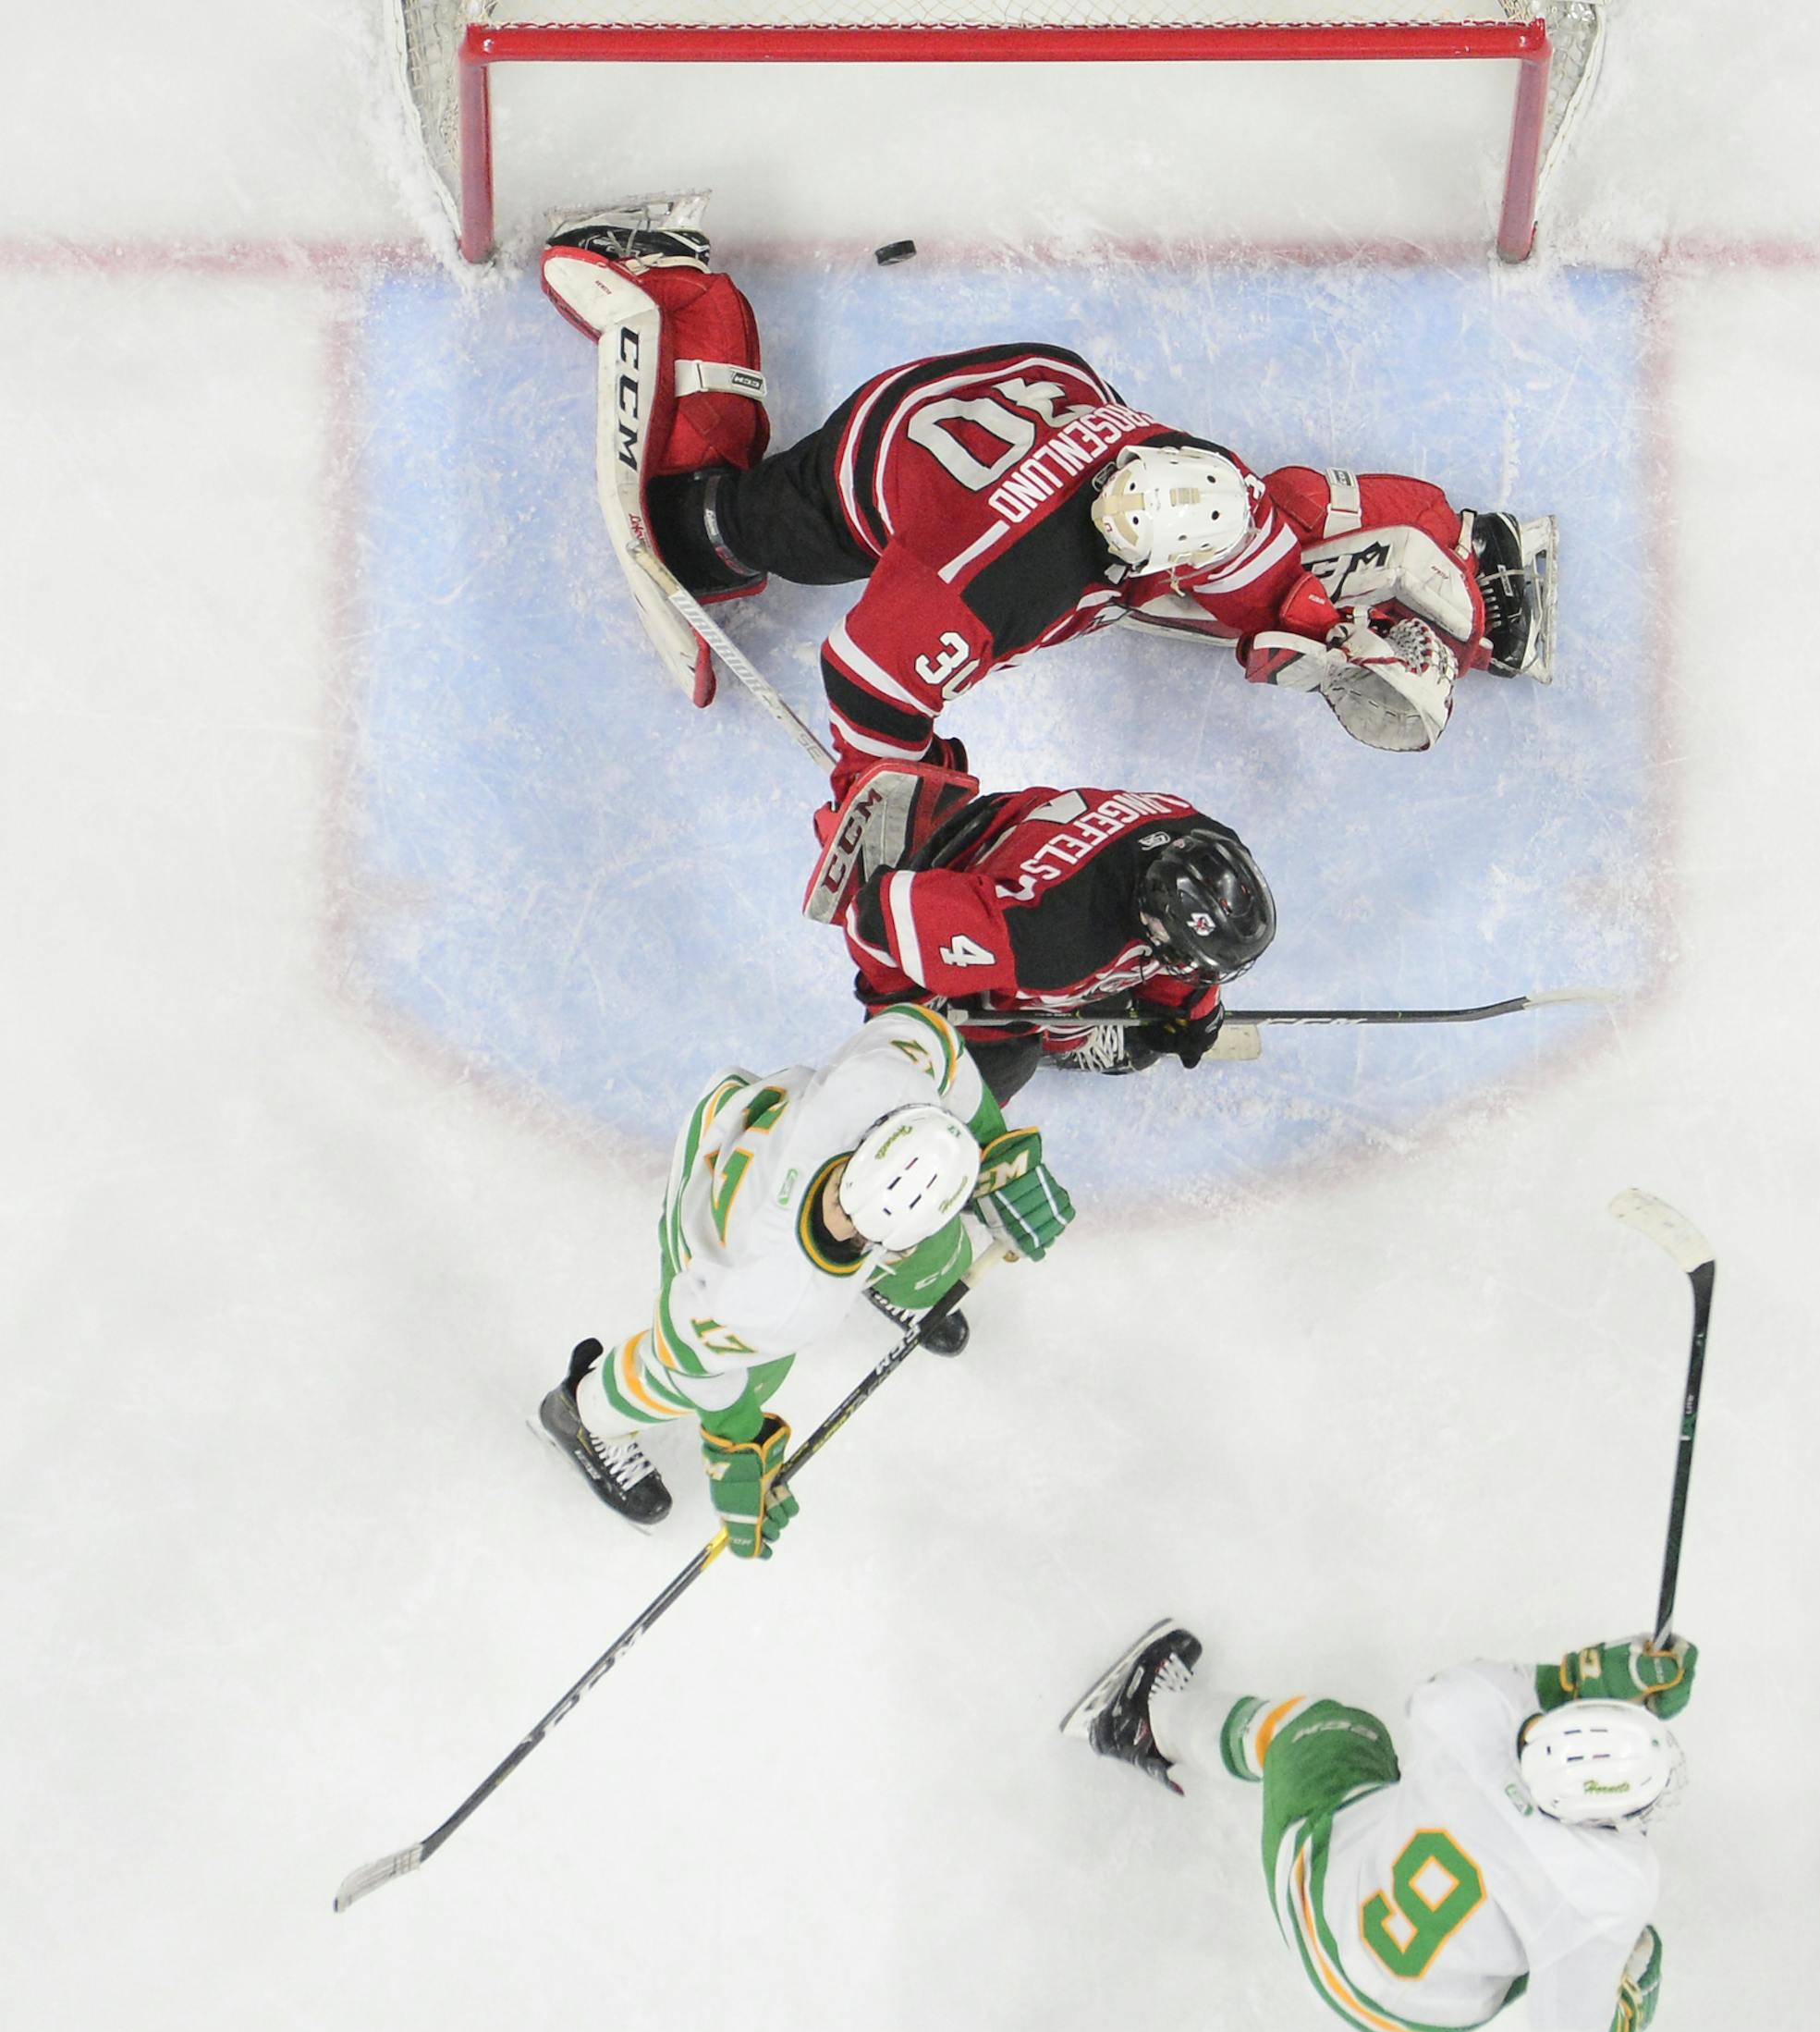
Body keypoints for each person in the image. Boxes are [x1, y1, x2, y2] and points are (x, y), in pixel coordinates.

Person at [537, 196, 1557, 802]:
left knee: (1272, 542)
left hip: (1045, 388)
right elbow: (864, 677)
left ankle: (1468, 553)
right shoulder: (997, 578)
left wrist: (1316, 626)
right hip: (894, 449)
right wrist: (907, 808)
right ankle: (681, 284)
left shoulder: (1220, 498)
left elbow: (1273, 537)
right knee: (707, 537)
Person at [1063, 1621, 1697, 2032]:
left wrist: (1601, 1674)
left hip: (1325, 1904)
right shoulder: (1609, 1889)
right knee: (1558, 1934)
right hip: (1407, 2020)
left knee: (1331, 1731)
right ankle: (1138, 1718)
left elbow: (1526, 1688)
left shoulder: (1471, 1711)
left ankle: (1157, 1717)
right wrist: (1629, 1999)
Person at [537, 1004, 1074, 1534]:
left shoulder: (881, 1090)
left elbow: (931, 1036)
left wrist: (997, 1147)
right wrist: (736, 1436)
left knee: (943, 1258)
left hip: (755, 1119)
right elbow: (684, 1343)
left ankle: (904, 1274)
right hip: (712, 1193)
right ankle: (586, 1413)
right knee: (745, 1377)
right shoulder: (770, 1295)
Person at [802, 763, 1276, 1102]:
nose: (1192, 971)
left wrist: (1185, 1002)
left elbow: (1180, 919)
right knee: (992, 1077)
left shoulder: (1206, 838)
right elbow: (873, 917)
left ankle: (1076, 1023)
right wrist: (905, 1014)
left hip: (1014, 844)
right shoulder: (1046, 940)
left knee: (1117, 995)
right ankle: (1063, 1036)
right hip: (977, 906)